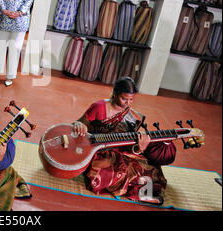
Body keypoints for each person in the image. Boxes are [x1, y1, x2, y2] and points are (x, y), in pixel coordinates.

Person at [72, 77, 176, 205]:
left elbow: (129, 145)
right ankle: (136, 192)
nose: (127, 103)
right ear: (115, 93)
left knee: (149, 167)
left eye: (131, 99)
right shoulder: (99, 107)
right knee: (116, 170)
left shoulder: (133, 116)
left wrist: (139, 148)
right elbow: (78, 122)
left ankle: (144, 193)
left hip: (120, 150)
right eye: (124, 98)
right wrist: (80, 125)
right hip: (97, 149)